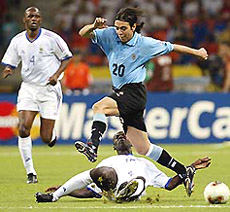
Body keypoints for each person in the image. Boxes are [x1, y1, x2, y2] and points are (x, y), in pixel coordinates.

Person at [1, 7, 72, 184]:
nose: (34, 19)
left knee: (46, 138)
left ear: (41, 20)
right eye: (30, 16)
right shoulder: (17, 41)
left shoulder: (52, 38)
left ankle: (52, 135)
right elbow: (11, 61)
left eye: (37, 16)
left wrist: (56, 75)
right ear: (24, 20)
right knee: (23, 128)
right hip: (28, 88)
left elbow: (67, 58)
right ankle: (30, 172)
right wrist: (9, 68)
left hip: (49, 90)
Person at [35, 131, 211, 203]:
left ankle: (130, 190)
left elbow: (169, 184)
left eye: (123, 136)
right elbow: (90, 192)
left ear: (131, 143)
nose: (120, 138)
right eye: (116, 138)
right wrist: (63, 191)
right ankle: (53, 197)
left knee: (140, 181)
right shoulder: (108, 162)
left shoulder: (146, 163)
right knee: (101, 172)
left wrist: (189, 168)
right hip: (111, 186)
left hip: (135, 187)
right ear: (114, 148)